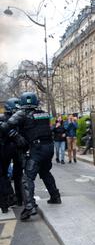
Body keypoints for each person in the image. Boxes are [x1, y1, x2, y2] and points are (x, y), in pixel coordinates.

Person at [0, 92, 61, 221]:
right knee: (45, 172)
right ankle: (55, 196)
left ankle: (29, 207)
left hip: (37, 149)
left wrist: (13, 134)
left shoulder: (21, 113)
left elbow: (6, 126)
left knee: (27, 178)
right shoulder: (43, 113)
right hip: (49, 148)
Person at [0, 97, 26, 212]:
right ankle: (20, 199)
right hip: (17, 148)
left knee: (3, 175)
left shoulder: (3, 119)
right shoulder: (20, 118)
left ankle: (7, 200)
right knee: (18, 175)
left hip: (5, 149)